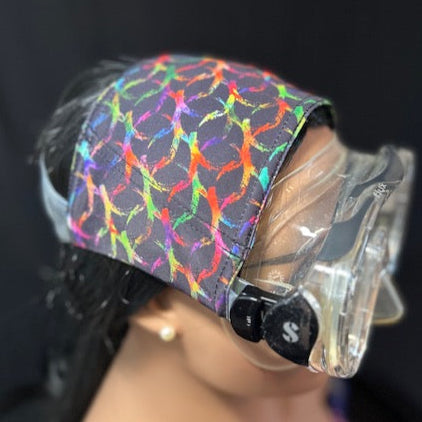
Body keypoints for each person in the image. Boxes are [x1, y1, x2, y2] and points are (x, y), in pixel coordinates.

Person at [37, 54, 414, 422]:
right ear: (158, 306)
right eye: (303, 266)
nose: (378, 306)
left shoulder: (295, 386)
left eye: (347, 222)